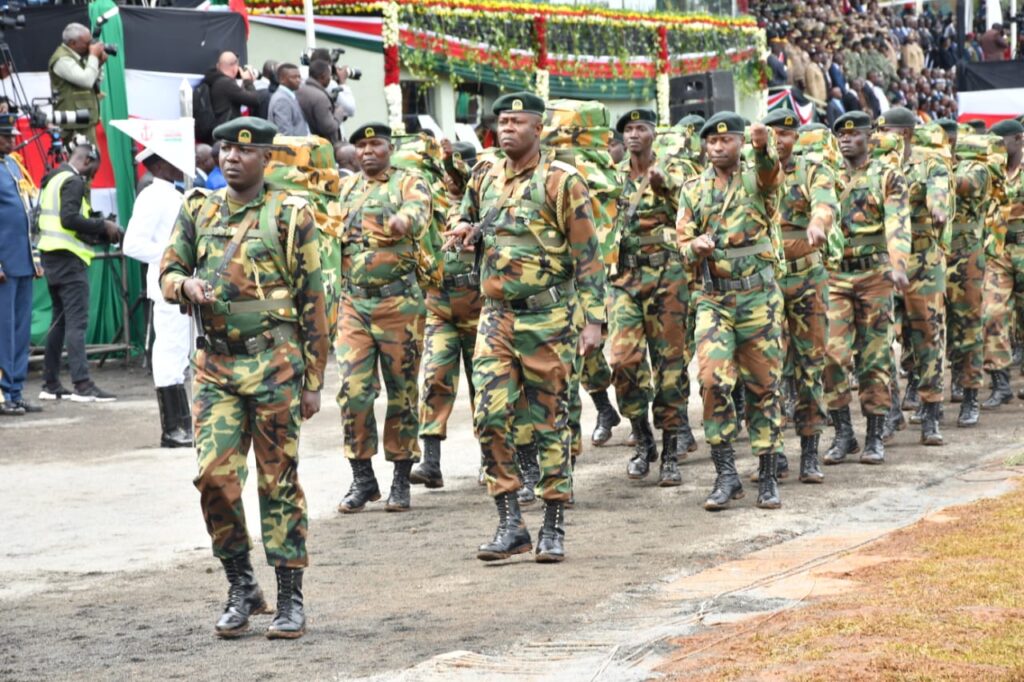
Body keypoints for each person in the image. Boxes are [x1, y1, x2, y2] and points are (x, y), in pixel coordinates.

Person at [159, 117, 329, 640]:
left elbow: (313, 300)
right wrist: (185, 285)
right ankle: (241, 585)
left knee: (278, 481)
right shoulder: (197, 208)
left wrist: (314, 378)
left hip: (275, 365)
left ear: (267, 160)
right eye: (225, 148)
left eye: (243, 150)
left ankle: (290, 597)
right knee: (214, 477)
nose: (231, 157)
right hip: (215, 368)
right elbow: (166, 273)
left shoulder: (290, 214)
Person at [445, 92, 607, 563]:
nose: (508, 128)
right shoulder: (484, 173)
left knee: (550, 421)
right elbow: (466, 214)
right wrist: (463, 228)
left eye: (518, 121)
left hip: (549, 317)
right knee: (490, 416)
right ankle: (510, 521)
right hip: (495, 316)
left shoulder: (562, 181)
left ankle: (553, 523)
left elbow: (588, 257)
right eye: (503, 121)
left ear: (539, 130)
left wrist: (593, 321)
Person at [676, 112, 785, 511]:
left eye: (726, 141)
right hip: (714, 299)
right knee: (712, 380)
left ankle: (768, 474)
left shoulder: (757, 178)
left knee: (763, 385)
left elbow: (772, 173)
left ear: (740, 143)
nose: (718, 147)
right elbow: (681, 242)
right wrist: (696, 248)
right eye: (711, 142)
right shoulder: (693, 189)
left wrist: (762, 146)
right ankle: (726, 474)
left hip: (758, 298)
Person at [329, 123, 431, 513]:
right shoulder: (346, 189)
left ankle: (401, 478)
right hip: (354, 305)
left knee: (402, 392)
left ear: (390, 148)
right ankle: (362, 477)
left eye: (375, 144)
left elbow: (419, 211)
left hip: (398, 304)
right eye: (361, 146)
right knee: (353, 391)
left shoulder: (408, 181)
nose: (368, 151)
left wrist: (404, 221)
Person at [611, 107, 697, 486]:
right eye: (628, 129)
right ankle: (642, 437)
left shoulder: (676, 171)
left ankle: (671, 448)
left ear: (653, 134)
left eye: (640, 128)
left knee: (670, 366)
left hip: (667, 275)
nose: (633, 135)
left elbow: (696, 211)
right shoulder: (612, 178)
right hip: (624, 278)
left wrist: (664, 186)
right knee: (623, 361)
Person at [822, 111, 910, 466]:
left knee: (874, 357)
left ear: (868, 137)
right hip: (835, 277)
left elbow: (898, 224)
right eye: (840, 135)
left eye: (853, 134)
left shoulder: (887, 176)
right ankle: (844, 433)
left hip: (875, 276)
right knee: (832, 355)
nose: (845, 140)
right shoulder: (826, 177)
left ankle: (875, 434)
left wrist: (898, 265)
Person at [763, 108, 838, 483]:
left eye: (786, 134)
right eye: (772, 133)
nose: (779, 140)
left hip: (808, 279)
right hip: (767, 283)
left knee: (810, 365)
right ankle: (773, 452)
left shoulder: (812, 169)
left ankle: (810, 451)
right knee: (767, 368)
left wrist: (817, 222)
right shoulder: (754, 172)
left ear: (796, 138)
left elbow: (825, 202)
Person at [877, 107, 951, 445]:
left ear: (904, 134)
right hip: (888, 261)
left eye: (887, 130)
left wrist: (938, 207)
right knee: (880, 339)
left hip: (923, 259)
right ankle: (891, 410)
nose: (880, 136)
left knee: (927, 335)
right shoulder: (878, 165)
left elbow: (939, 189)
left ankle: (931, 414)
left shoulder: (929, 162)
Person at [412, 140, 481, 489]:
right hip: (440, 306)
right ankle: (431, 461)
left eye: (459, 169)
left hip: (480, 308)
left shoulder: (486, 202)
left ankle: (492, 457)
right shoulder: (430, 200)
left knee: (484, 384)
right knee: (435, 377)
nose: (452, 177)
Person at [37, 139, 122, 402]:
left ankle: (50, 383)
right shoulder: (73, 181)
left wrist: (96, 228)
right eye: (94, 168)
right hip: (68, 260)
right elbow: (69, 219)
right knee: (76, 323)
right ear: (86, 161)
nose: (94, 175)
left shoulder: (53, 178)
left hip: (51, 256)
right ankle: (83, 385)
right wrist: (103, 226)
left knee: (59, 322)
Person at [122, 148, 191, 447]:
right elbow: (133, 244)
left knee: (181, 352)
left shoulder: (172, 194)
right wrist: (171, 257)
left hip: (182, 285)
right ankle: (174, 428)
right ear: (161, 164)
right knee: (169, 352)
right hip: (169, 285)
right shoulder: (152, 195)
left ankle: (183, 425)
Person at [940, 118, 987, 426]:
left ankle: (970, 396)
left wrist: (935, 169)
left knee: (968, 325)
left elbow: (965, 186)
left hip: (966, 253)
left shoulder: (975, 167)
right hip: (935, 254)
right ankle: (944, 387)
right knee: (931, 327)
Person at [0, 114, 43, 415]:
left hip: (23, 261)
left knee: (20, 332)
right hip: (3, 264)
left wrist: (35, 258)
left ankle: (14, 391)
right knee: (3, 332)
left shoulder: (13, 165)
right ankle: (3, 395)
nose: (13, 139)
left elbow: (28, 213)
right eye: (6, 136)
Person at [981, 118, 1024, 407]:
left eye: (1000, 143)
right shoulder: (988, 172)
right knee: (992, 313)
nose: (994, 148)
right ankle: (1000, 382)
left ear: (1018, 140)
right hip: (998, 253)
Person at [48, 23, 106, 146]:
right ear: (73, 43)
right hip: (74, 123)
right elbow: (86, 81)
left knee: (92, 160)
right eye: (87, 42)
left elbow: (94, 80)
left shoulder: (76, 56)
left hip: (84, 120)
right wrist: (94, 56)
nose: (91, 45)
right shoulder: (62, 59)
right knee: (82, 162)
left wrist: (98, 64)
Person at [202, 51, 262, 128]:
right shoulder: (227, 84)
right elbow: (255, 100)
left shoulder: (214, 80)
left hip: (218, 131)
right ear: (234, 68)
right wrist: (248, 81)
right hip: (226, 133)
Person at [296, 60, 340, 146]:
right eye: (329, 75)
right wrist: (339, 114)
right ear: (323, 76)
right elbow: (328, 127)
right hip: (321, 147)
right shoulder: (320, 97)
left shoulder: (299, 90)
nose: (330, 79)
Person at [267, 63, 309, 137]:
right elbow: (286, 134)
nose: (298, 80)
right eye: (294, 77)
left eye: (299, 77)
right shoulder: (282, 100)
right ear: (282, 79)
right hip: (295, 147)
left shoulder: (289, 95)